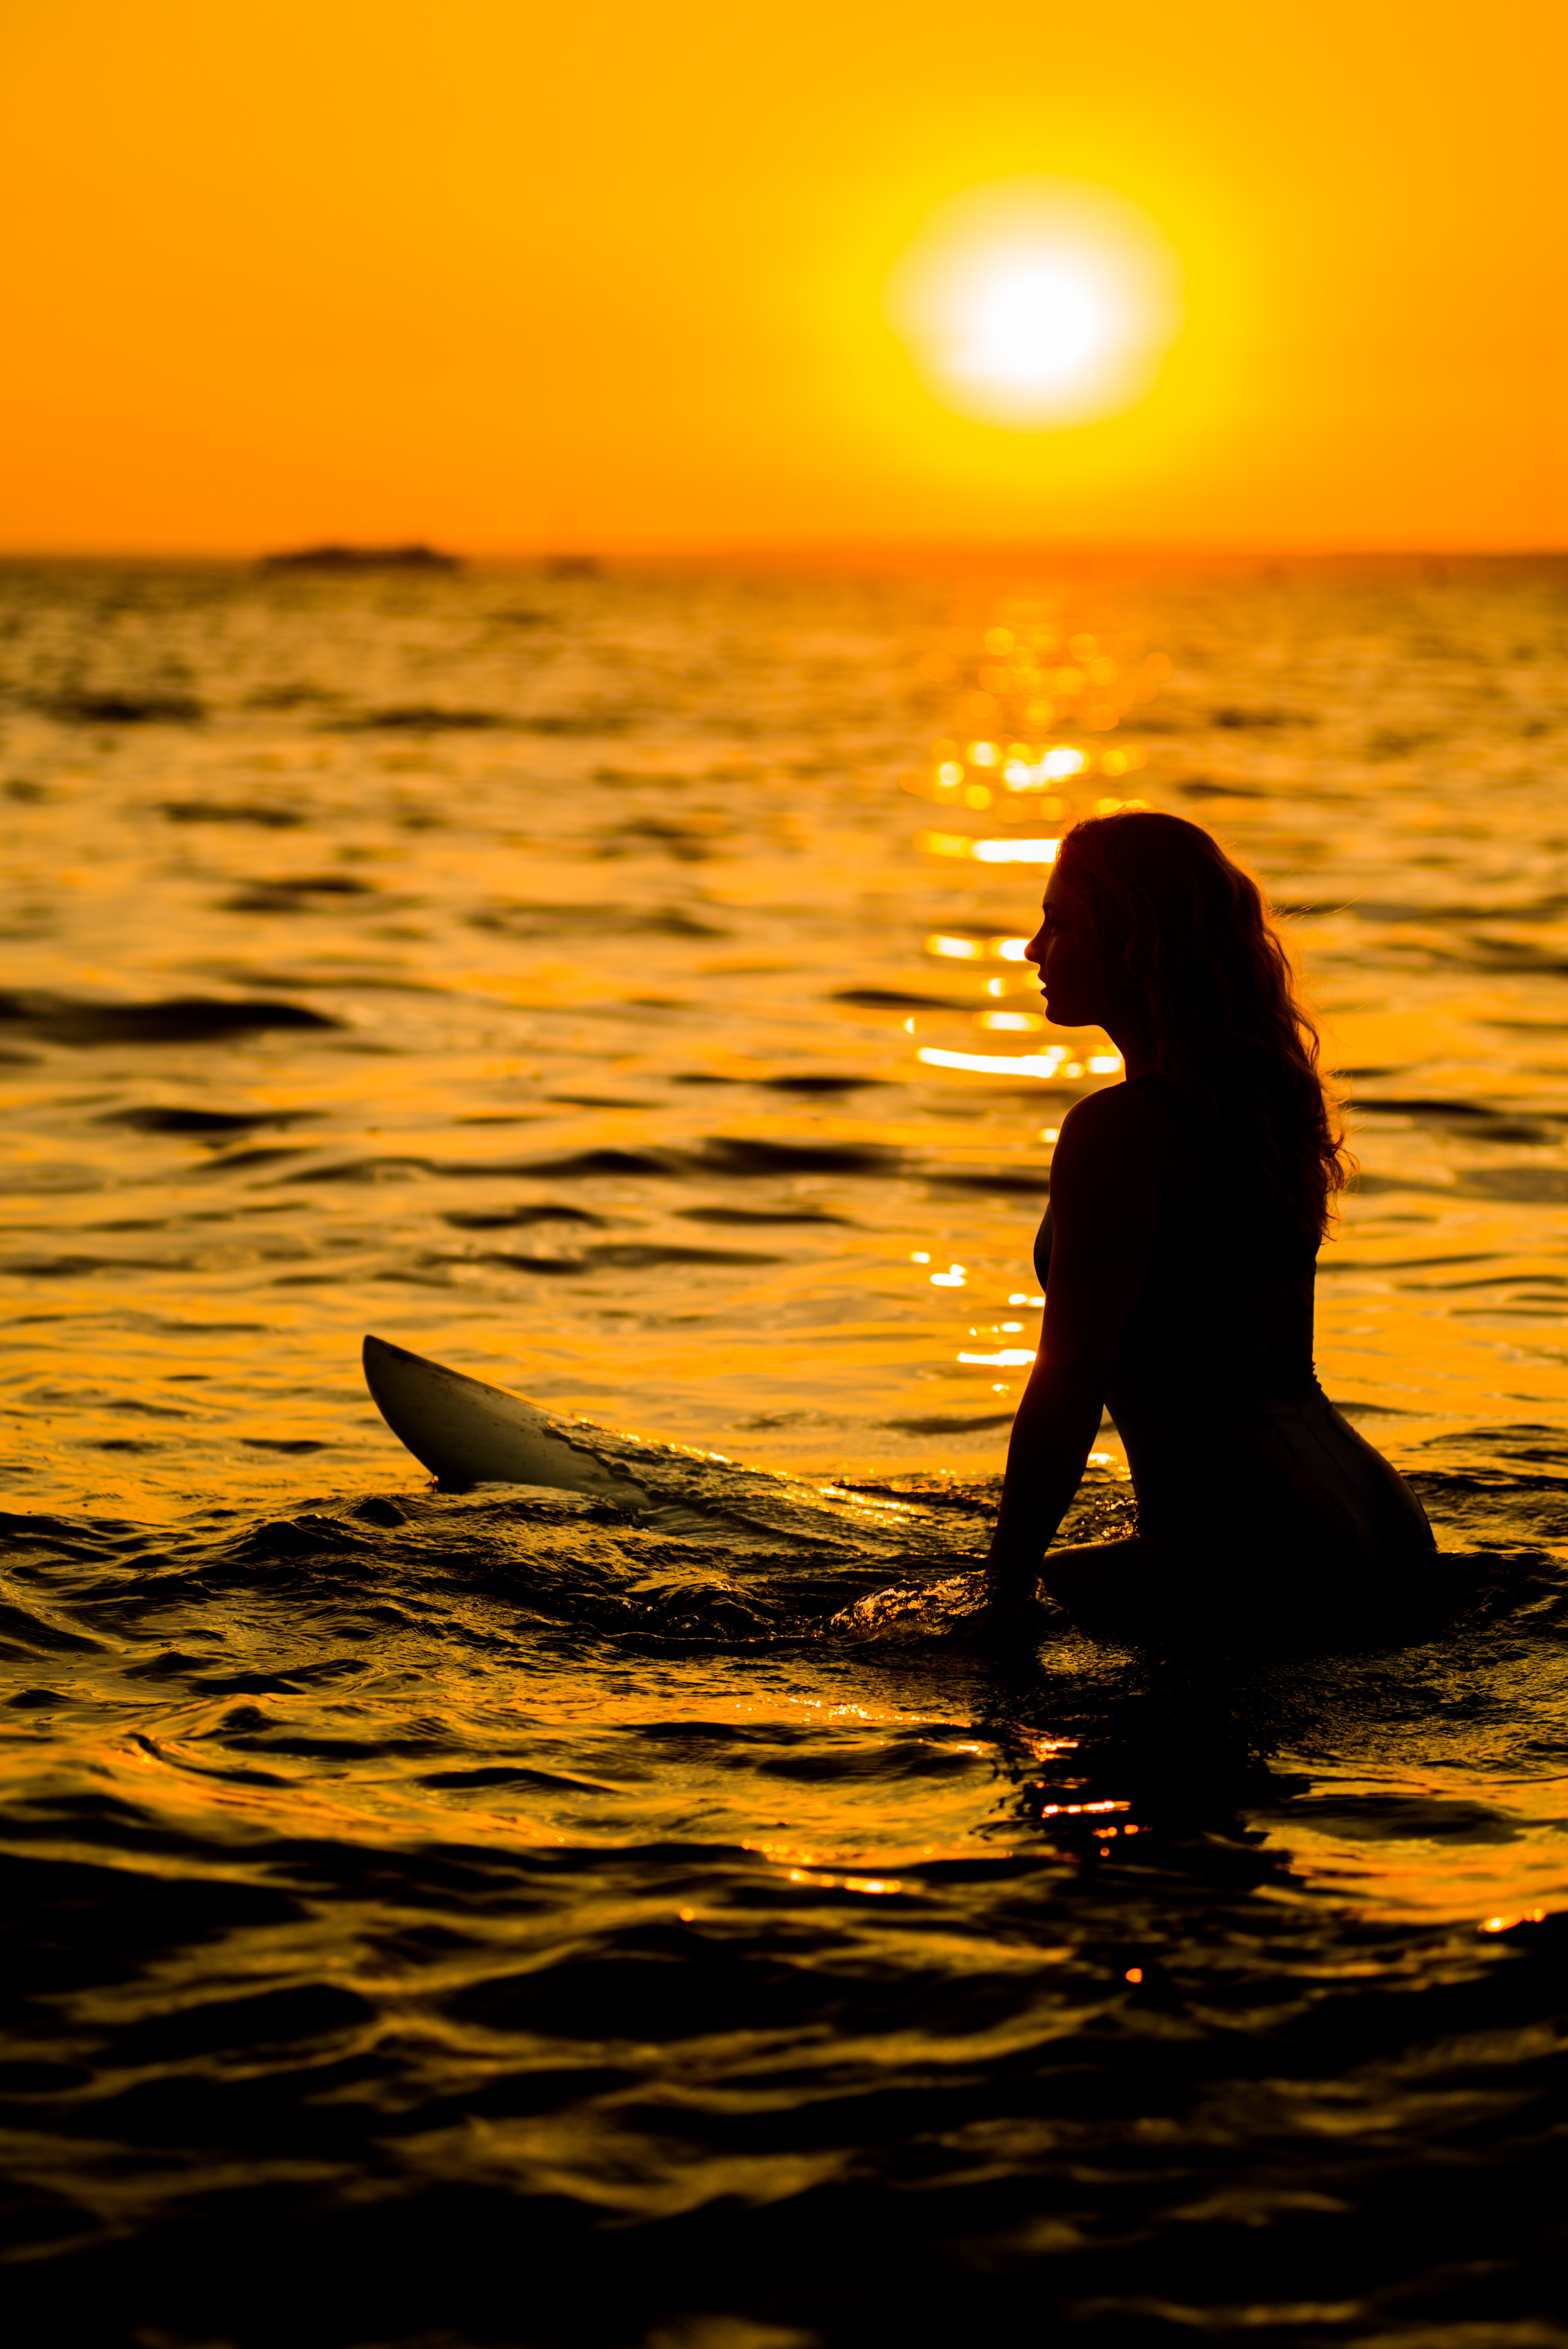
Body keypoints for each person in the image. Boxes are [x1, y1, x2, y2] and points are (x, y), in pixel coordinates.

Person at [976, 809, 1435, 1645]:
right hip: (1379, 1521)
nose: (1033, 949)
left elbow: (1071, 1376)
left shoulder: (1117, 1129)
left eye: (1058, 922)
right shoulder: (1265, 1104)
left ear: (1128, 938)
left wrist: (999, 1591)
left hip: (1245, 1539)